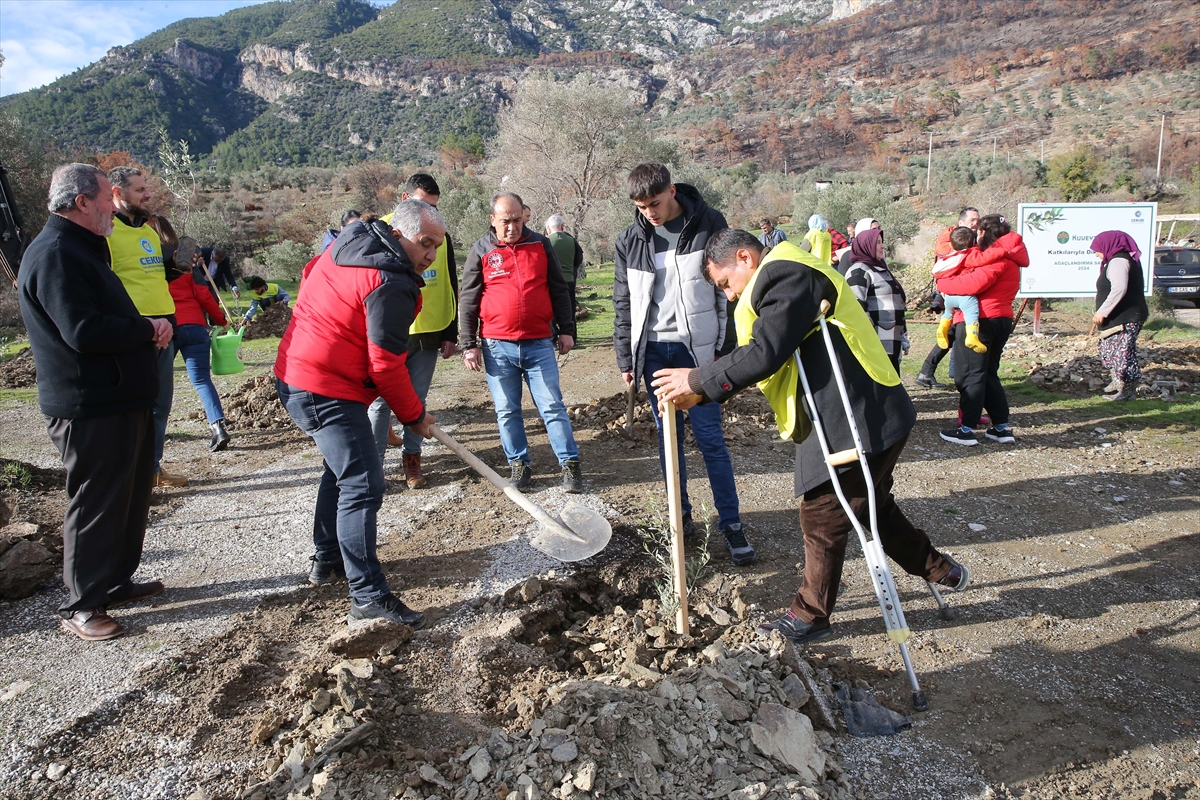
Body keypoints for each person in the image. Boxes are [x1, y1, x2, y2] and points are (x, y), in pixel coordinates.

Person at [652, 228, 968, 644]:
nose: (729, 296)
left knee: (822, 513)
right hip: (850, 414)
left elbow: (767, 349)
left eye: (726, 283)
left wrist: (698, 379)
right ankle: (939, 569)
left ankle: (811, 614)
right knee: (868, 505)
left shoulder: (787, 274)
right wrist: (704, 386)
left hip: (858, 415)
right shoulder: (785, 271)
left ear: (745, 258)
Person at [18, 164, 172, 641]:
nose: (114, 204)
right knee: (96, 502)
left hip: (119, 398)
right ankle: (83, 604)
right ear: (82, 202)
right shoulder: (57, 254)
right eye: (108, 196)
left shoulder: (83, 249)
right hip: (88, 405)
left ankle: (113, 581)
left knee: (127, 496)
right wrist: (147, 328)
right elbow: (82, 331)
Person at [274, 200, 441, 629]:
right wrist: (413, 414)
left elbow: (311, 275)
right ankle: (367, 596)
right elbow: (385, 364)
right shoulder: (390, 280)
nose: (430, 256)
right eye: (425, 244)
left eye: (437, 247)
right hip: (323, 386)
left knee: (341, 471)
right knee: (364, 483)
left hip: (300, 375)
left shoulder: (352, 242)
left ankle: (328, 558)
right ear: (399, 233)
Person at [612, 162, 752, 564]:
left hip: (699, 354)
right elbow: (624, 303)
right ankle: (681, 518)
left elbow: (730, 289)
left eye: (654, 203)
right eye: (641, 207)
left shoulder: (710, 224)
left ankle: (731, 523)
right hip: (655, 354)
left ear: (672, 191)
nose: (649, 213)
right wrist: (627, 356)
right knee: (667, 441)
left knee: (710, 440)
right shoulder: (630, 240)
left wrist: (725, 348)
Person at [459, 192, 582, 493]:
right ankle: (519, 464)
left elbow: (558, 289)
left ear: (524, 216)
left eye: (516, 220)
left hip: (539, 343)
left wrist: (567, 329)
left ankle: (570, 465)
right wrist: (468, 343)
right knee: (507, 410)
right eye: (505, 222)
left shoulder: (540, 244)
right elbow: (469, 299)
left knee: (552, 405)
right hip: (496, 346)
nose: (512, 227)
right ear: (493, 220)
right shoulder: (481, 250)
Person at [368, 174, 458, 489]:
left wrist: (450, 329)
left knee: (417, 400)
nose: (430, 212)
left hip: (430, 328)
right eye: (423, 204)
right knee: (379, 401)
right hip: (390, 330)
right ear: (406, 199)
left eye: (434, 206)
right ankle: (374, 464)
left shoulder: (438, 231)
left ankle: (412, 460)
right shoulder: (380, 230)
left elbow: (449, 280)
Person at [107, 166, 187, 488]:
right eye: (139, 190)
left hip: (166, 326)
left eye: (146, 188)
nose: (148, 194)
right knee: (131, 409)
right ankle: (128, 477)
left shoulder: (150, 232)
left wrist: (178, 267)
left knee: (160, 405)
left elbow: (153, 276)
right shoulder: (107, 233)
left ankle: (152, 468)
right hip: (135, 331)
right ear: (117, 193)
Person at [937, 214, 1027, 446]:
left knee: (971, 376)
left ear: (985, 234)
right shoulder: (1012, 256)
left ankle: (966, 430)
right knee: (987, 374)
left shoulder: (998, 257)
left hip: (980, 321)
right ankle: (1001, 427)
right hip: (1001, 318)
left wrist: (942, 284)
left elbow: (972, 284)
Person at [168, 236, 232, 452]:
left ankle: (155, 430)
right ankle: (217, 426)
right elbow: (205, 296)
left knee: (161, 381)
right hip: (195, 328)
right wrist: (222, 322)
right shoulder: (187, 269)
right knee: (202, 381)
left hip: (167, 327)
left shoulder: (155, 267)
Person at [917, 208, 980, 389]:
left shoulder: (974, 238)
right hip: (955, 292)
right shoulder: (950, 236)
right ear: (961, 222)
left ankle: (930, 372)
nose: (976, 223)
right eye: (972, 220)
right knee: (953, 332)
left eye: (978, 220)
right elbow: (947, 253)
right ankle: (928, 372)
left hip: (960, 292)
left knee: (953, 333)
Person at [1091, 230, 1149, 401]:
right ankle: (1118, 382)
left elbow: (1119, 288)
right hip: (1120, 316)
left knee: (1123, 354)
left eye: (1097, 249)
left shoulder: (1119, 261)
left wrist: (1103, 311)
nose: (1096, 254)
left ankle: (1127, 390)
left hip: (1126, 317)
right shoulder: (1117, 260)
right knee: (1110, 350)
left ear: (1108, 245)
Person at [843, 228, 908, 373]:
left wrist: (903, 335)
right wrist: (869, 338)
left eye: (882, 242)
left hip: (891, 340)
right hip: (876, 343)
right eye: (878, 242)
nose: (882, 246)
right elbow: (856, 306)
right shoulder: (859, 271)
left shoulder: (880, 269)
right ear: (866, 245)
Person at [932, 226, 989, 354]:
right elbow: (983, 259)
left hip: (949, 296)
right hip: (964, 297)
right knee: (972, 313)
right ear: (972, 242)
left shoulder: (949, 256)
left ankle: (942, 327)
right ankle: (972, 337)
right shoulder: (970, 254)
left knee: (948, 314)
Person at [545, 214, 584, 319]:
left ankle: (554, 335)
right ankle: (571, 334)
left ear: (548, 227)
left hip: (552, 281)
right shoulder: (571, 240)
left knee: (552, 312)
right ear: (562, 226)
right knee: (570, 311)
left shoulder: (546, 241)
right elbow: (578, 259)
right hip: (569, 280)